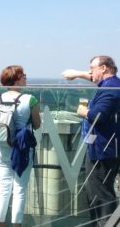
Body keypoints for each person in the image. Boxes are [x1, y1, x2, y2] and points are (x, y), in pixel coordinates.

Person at [62, 56, 120, 227]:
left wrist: (83, 111)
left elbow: (98, 116)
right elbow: (95, 78)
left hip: (103, 150)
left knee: (100, 192)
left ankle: (106, 224)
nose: (89, 72)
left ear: (103, 68)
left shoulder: (110, 89)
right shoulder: (113, 83)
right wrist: (77, 74)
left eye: (91, 68)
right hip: (108, 147)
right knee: (99, 189)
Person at [0, 65, 41, 227]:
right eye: (23, 75)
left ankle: (0, 224)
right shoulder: (30, 99)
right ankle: (16, 225)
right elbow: (37, 124)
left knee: (4, 186)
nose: (25, 78)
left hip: (3, 146)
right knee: (19, 188)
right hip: (23, 147)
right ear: (17, 79)